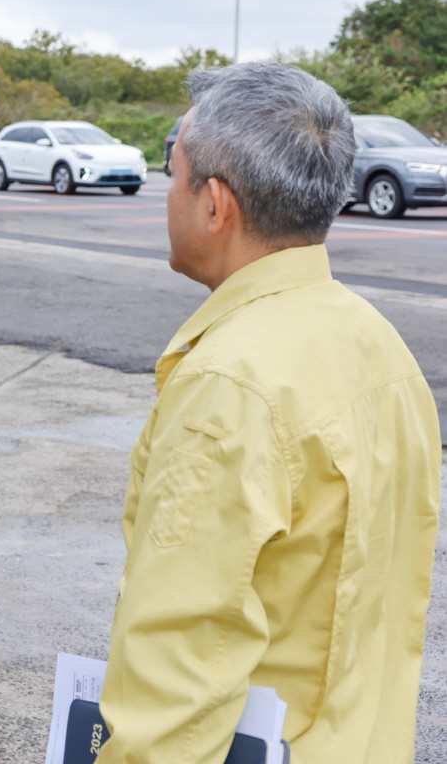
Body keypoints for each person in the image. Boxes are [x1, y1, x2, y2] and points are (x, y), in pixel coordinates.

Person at [96, 63, 439, 763]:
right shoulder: (378, 344)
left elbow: (182, 670)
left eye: (172, 174)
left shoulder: (230, 385)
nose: (166, 193)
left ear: (215, 203)